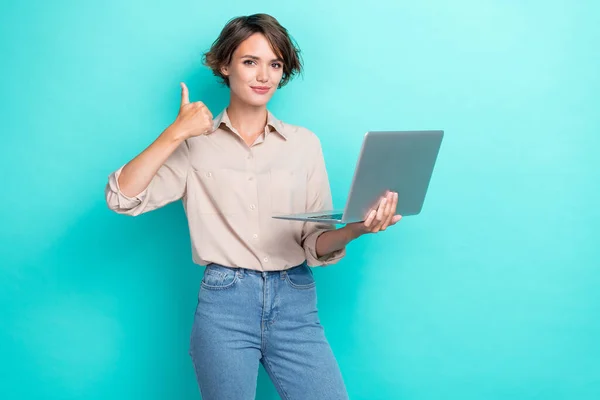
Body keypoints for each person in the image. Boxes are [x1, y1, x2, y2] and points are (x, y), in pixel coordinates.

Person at [105, 13, 401, 400]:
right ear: (225, 65)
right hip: (225, 303)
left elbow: (316, 243)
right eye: (250, 62)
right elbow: (122, 197)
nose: (264, 76)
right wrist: (174, 133)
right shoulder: (195, 144)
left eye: (275, 64)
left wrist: (359, 227)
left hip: (296, 300)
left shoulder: (304, 144)